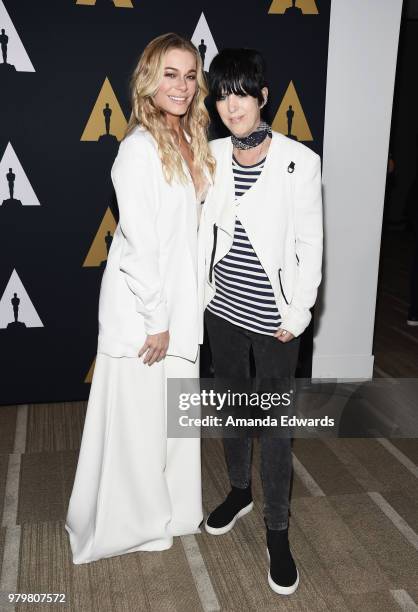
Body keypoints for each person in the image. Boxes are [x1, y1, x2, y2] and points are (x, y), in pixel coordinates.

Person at [65, 33, 215, 564]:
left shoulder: (194, 141)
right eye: (170, 74)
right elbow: (138, 247)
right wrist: (157, 319)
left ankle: (171, 510)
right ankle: (125, 521)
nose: (182, 85)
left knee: (172, 418)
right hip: (144, 311)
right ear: (150, 81)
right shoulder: (137, 148)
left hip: (182, 308)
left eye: (191, 74)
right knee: (136, 422)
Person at [198, 48, 323, 595]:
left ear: (263, 96)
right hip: (222, 311)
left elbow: (309, 244)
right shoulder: (212, 154)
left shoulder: (300, 160)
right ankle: (237, 490)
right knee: (232, 406)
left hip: (276, 321)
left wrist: (298, 313)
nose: (232, 104)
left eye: (243, 92)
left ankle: (277, 530)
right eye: (222, 93)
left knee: (273, 426)